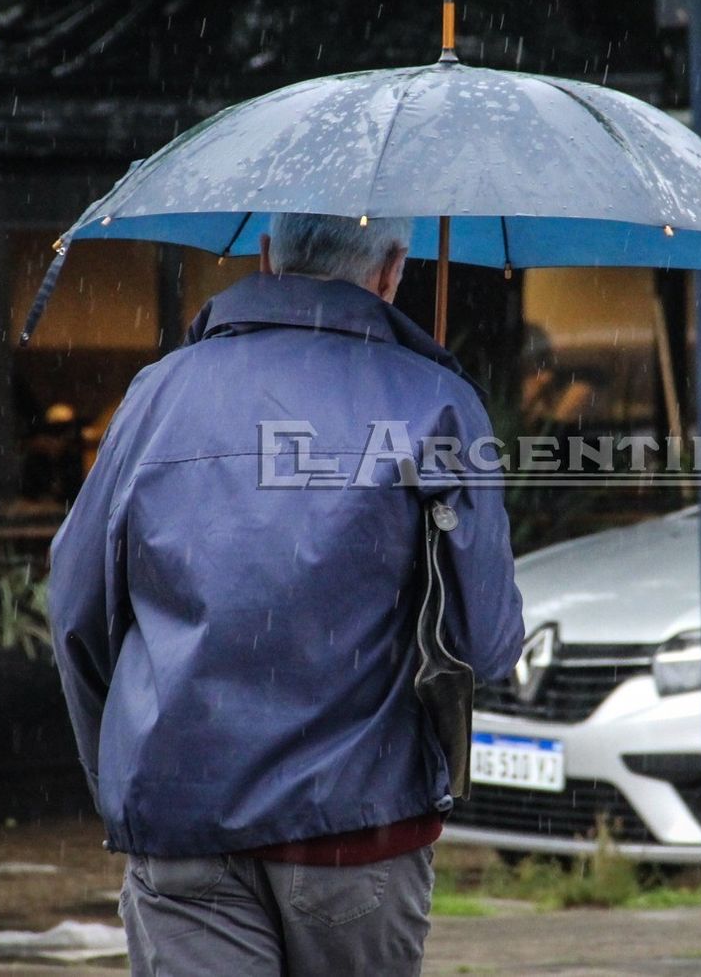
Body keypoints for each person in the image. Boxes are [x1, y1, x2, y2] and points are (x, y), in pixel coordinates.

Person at [48, 213, 525, 976]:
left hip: (182, 819)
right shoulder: (437, 402)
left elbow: (76, 608)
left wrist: (126, 777)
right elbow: (487, 641)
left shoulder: (156, 395)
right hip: (359, 829)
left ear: (267, 254)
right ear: (393, 270)